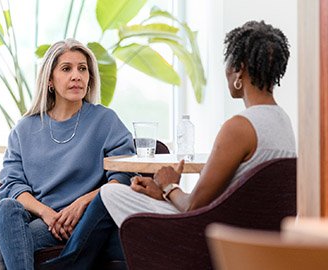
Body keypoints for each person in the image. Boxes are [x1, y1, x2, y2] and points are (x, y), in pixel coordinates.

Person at [40, 20, 296, 270]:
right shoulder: (283, 121)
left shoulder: (239, 127)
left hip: (205, 234)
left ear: (239, 70)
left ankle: (69, 263)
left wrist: (169, 184)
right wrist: (159, 192)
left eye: (228, 63)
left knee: (110, 193)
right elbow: (227, 197)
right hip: (245, 229)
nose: (226, 71)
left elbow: (194, 206)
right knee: (118, 196)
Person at [0, 38, 135, 270]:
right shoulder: (24, 128)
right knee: (6, 208)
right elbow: (12, 185)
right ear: (50, 80)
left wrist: (81, 204)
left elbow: (122, 178)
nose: (76, 76)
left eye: (82, 69)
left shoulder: (105, 121)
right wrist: (46, 213)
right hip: (29, 216)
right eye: (66, 69)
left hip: (71, 221)